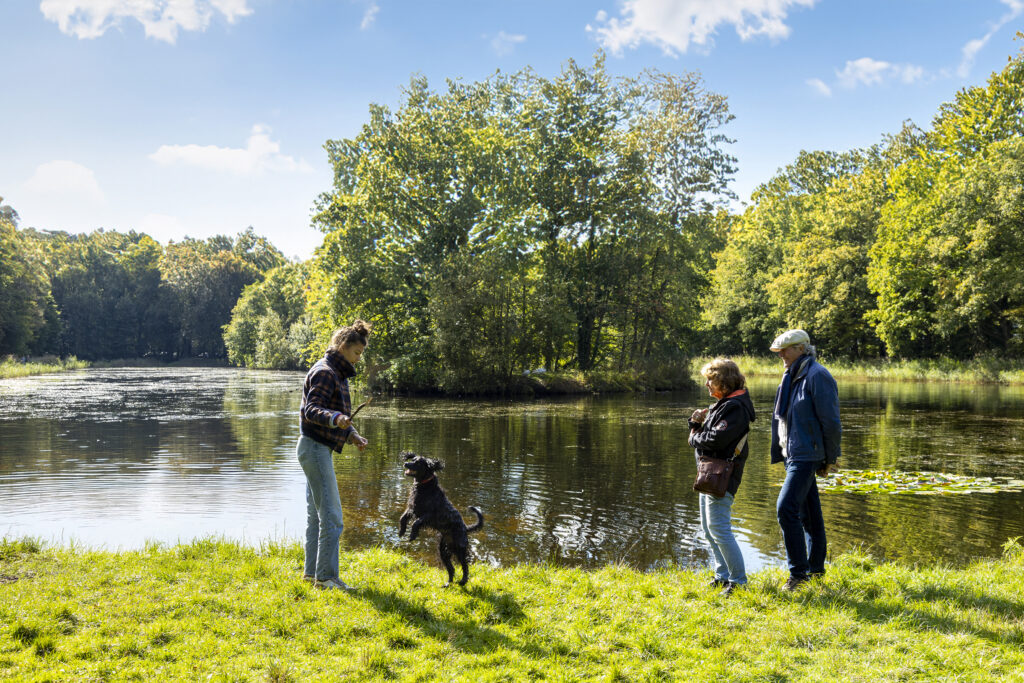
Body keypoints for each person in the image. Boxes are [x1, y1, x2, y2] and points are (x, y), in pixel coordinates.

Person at [298, 319, 371, 590]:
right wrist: (336, 418)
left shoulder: (336, 372)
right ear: (342, 346)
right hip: (314, 449)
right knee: (332, 517)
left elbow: (337, 413)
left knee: (317, 516)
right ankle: (327, 578)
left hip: (315, 449)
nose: (358, 359)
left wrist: (352, 435)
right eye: (356, 353)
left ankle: (311, 573)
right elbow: (312, 410)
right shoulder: (326, 372)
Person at [769, 329, 841, 591]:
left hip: (807, 454)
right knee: (809, 514)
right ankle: (815, 570)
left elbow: (831, 422)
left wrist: (830, 457)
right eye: (778, 352)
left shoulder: (817, 375)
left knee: (785, 508)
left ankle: (798, 574)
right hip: (793, 453)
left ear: (801, 349)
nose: (781, 356)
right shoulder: (791, 375)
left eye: (784, 351)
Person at [688, 358, 756, 595]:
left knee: (719, 528)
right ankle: (722, 575)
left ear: (724, 382)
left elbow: (714, 440)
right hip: (710, 472)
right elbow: (707, 436)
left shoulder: (735, 407)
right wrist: (695, 424)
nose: (706, 384)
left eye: (710, 379)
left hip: (723, 475)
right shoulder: (724, 403)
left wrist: (693, 435)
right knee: (709, 528)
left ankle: (738, 582)